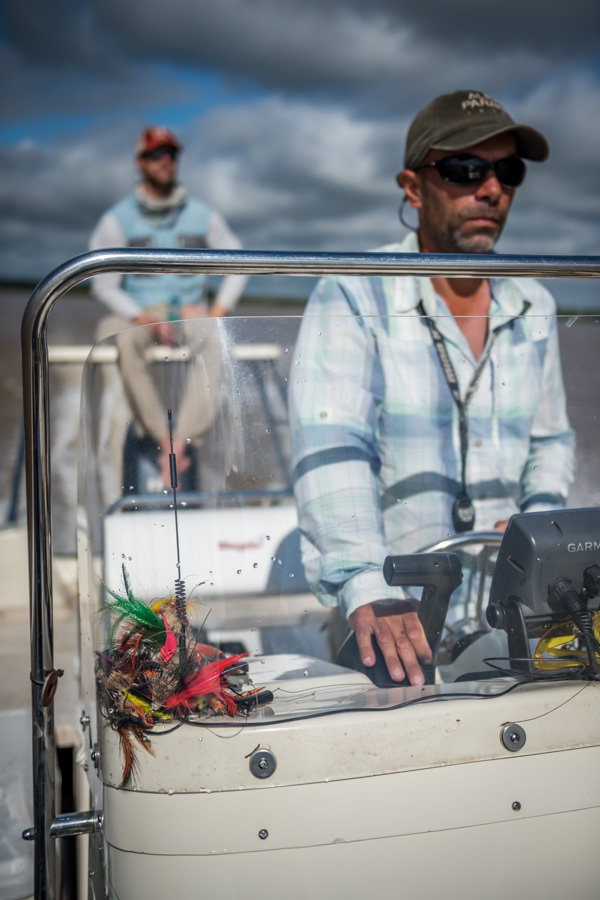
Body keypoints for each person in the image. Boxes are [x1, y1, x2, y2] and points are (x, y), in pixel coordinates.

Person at [289, 90, 575, 686]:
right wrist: (367, 585)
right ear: (413, 187)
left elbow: (550, 442)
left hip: (512, 610)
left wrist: (541, 526)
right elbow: (333, 444)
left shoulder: (537, 303)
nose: (491, 188)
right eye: (465, 170)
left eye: (507, 171)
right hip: (394, 609)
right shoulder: (355, 294)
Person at [89, 126, 247, 488]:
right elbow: (103, 284)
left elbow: (238, 261)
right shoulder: (117, 219)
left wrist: (218, 311)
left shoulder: (203, 215)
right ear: (139, 162)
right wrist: (141, 318)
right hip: (139, 310)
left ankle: (181, 441)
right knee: (125, 340)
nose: (165, 162)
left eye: (171, 155)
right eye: (157, 155)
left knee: (217, 337)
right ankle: (162, 438)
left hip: (191, 310)